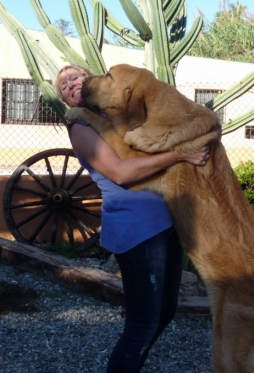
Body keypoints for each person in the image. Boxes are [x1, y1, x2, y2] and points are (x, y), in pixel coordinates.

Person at [54, 64, 211, 372]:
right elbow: (121, 174)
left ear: (92, 80)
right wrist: (181, 154)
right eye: (63, 86)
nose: (70, 84)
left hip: (167, 223)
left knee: (164, 313)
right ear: (66, 100)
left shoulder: (116, 116)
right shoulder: (80, 126)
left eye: (74, 77)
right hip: (138, 229)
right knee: (141, 324)